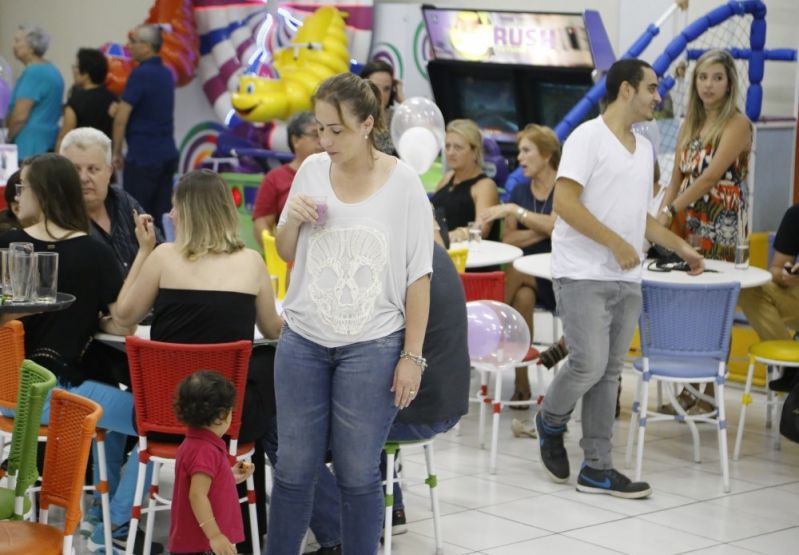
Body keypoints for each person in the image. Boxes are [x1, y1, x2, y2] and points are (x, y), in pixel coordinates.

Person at [268, 72, 433, 553]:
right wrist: (293, 220)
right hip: (302, 339)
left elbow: (418, 277)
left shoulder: (403, 183)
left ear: (367, 124)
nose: (325, 140)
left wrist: (412, 356)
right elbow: (284, 251)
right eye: (320, 129)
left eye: (336, 130)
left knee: (359, 471)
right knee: (295, 470)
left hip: (374, 343)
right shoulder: (312, 171)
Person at [535, 58, 704, 499]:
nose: (658, 96)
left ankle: (597, 467)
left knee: (609, 374)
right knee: (588, 363)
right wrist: (614, 242)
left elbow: (638, 218)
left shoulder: (644, 147)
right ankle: (549, 419)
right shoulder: (586, 138)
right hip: (582, 273)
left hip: (627, 278)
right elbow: (565, 204)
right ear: (626, 90)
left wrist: (681, 247)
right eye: (651, 88)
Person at [93, 169, 282, 552]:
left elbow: (125, 315)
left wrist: (143, 250)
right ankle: (248, 524)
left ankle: (116, 525)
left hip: (164, 415)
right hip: (229, 423)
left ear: (191, 212)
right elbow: (274, 329)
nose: (171, 215)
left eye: (176, 208)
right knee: (264, 370)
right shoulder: (251, 263)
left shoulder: (163, 257)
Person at [0, 153, 146, 550]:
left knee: (113, 423)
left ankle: (102, 518)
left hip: (7, 395)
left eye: (23, 186)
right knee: (159, 424)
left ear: (43, 192)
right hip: (52, 394)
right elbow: (124, 321)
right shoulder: (94, 253)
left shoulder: (8, 245)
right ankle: (111, 528)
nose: (17, 194)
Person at [657, 49, 752, 414]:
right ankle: (690, 390)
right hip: (688, 218)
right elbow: (677, 176)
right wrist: (665, 216)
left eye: (717, 78)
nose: (708, 85)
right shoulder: (689, 123)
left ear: (729, 84)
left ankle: (707, 393)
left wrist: (672, 208)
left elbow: (711, 176)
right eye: (702, 77)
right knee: (689, 302)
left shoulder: (737, 123)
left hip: (722, 219)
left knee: (714, 304)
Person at [479, 124, 564, 406]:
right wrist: (545, 228)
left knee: (515, 272)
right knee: (523, 298)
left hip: (558, 277)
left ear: (547, 154)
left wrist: (516, 212)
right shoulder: (518, 188)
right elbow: (510, 238)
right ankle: (522, 384)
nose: (520, 158)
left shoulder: (564, 187)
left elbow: (556, 227)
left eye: (527, 151)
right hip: (530, 279)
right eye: (520, 151)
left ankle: (490, 326)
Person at [170, 370, 255, 555]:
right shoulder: (205, 451)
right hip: (202, 544)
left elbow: (204, 484)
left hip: (195, 541)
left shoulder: (194, 444)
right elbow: (197, 495)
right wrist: (215, 536)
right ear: (222, 415)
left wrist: (229, 476)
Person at [60, 127, 162, 274]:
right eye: (75, 170)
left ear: (109, 172)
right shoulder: (56, 215)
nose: (83, 178)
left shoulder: (124, 202)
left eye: (93, 169)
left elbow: (158, 249)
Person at [113, 24, 179, 225]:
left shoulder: (140, 74)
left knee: (137, 217)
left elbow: (121, 118)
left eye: (134, 41)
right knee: (161, 219)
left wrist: (115, 152)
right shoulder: (167, 73)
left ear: (148, 46)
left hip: (143, 156)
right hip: (166, 153)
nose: (129, 45)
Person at [738, 203, 799, 391]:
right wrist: (786, 276)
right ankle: (791, 368)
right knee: (749, 289)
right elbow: (776, 268)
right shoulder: (795, 215)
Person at [252, 111, 321, 242]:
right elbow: (261, 223)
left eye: (323, 133)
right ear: (295, 140)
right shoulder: (275, 178)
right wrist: (276, 250)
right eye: (315, 135)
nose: (321, 141)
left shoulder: (335, 172)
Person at [431, 119, 500, 243]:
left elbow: (482, 228)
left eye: (458, 147)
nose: (451, 152)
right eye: (447, 146)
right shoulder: (447, 178)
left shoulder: (485, 186)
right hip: (442, 251)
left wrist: (460, 233)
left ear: (475, 151)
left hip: (471, 257)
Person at [7, 25, 64, 159]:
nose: (14, 46)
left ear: (32, 46)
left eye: (18, 41)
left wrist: (7, 138)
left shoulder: (34, 72)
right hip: (46, 142)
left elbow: (20, 116)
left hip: (29, 146)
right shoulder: (52, 70)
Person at [55, 48, 118, 152]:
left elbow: (64, 137)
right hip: (103, 156)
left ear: (86, 74)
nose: (73, 70)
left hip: (80, 158)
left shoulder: (76, 101)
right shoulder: (113, 99)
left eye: (76, 67)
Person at [359, 60, 404, 155]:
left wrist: (403, 100)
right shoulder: (353, 116)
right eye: (375, 87)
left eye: (387, 89)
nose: (381, 94)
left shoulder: (396, 118)